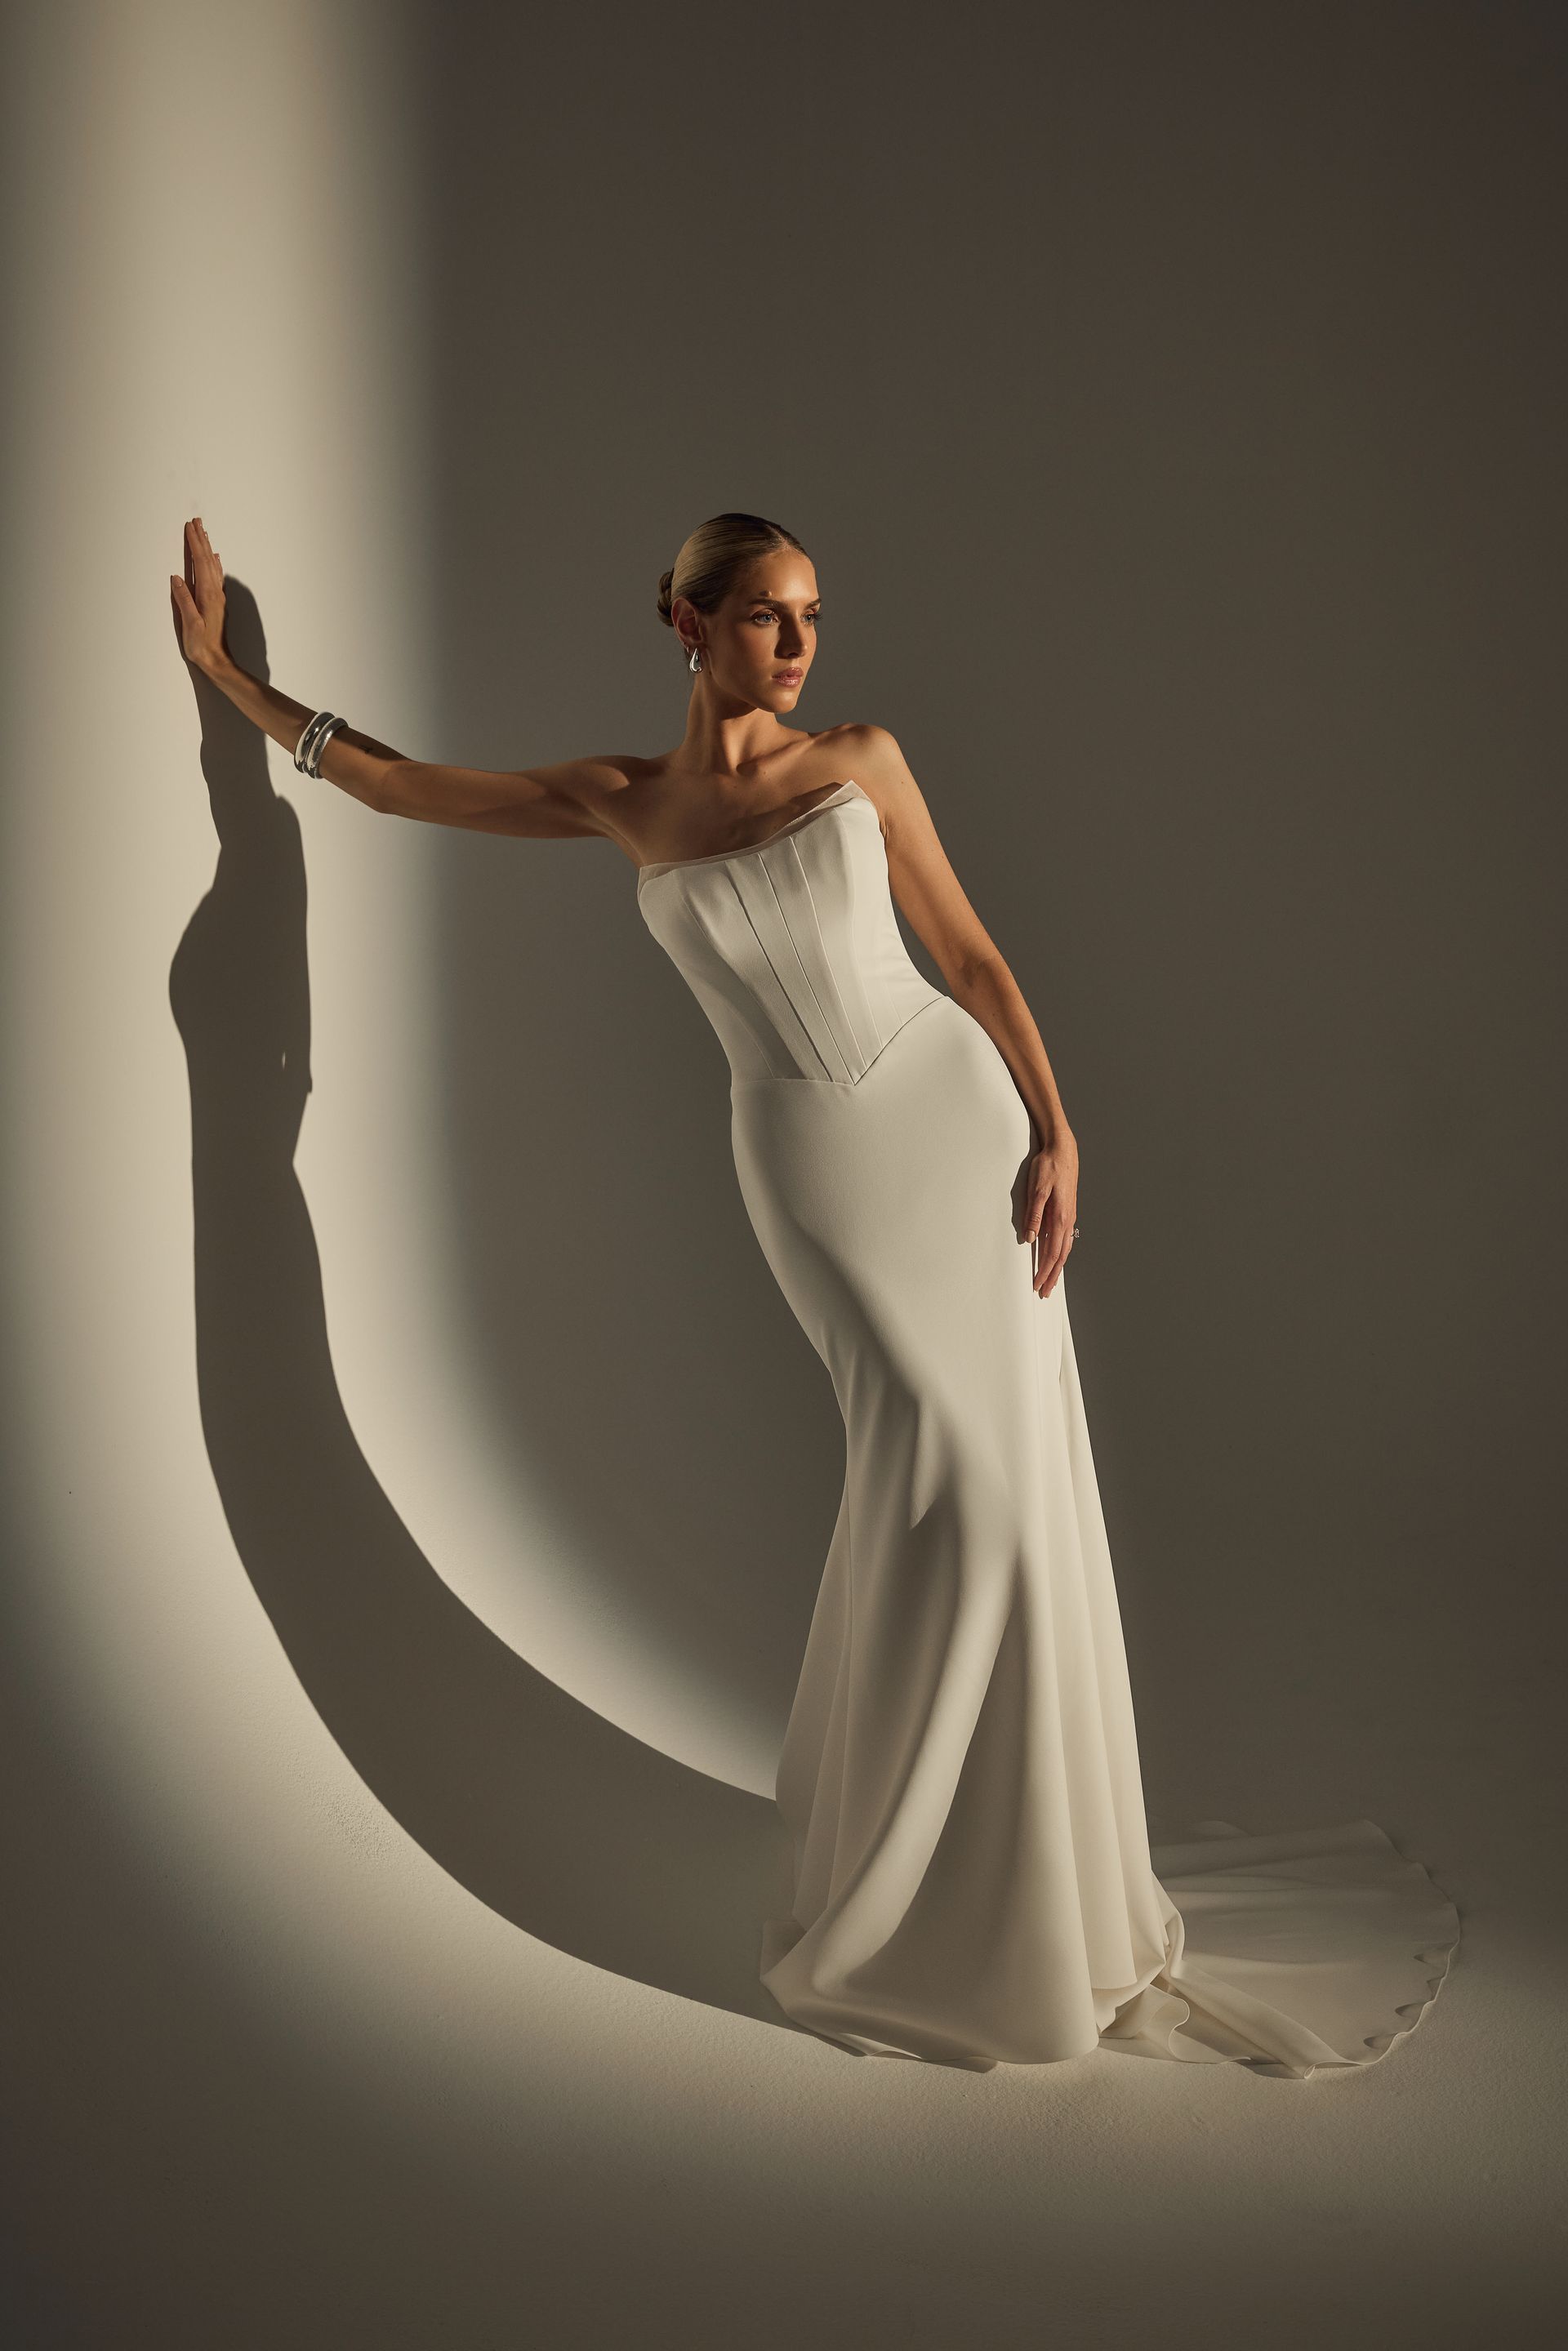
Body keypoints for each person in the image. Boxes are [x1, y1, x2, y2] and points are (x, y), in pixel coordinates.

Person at [172, 510, 1459, 2077]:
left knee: (1003, 1490)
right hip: (811, 1171)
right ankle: (919, 1883)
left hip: (953, 1122)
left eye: (813, 617)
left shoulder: (862, 760)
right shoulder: (621, 799)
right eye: (767, 615)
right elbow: (396, 784)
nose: (798, 645)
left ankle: (1017, 1886)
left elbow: (969, 959)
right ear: (689, 623)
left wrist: (1056, 1127)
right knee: (929, 1472)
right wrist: (236, 689)